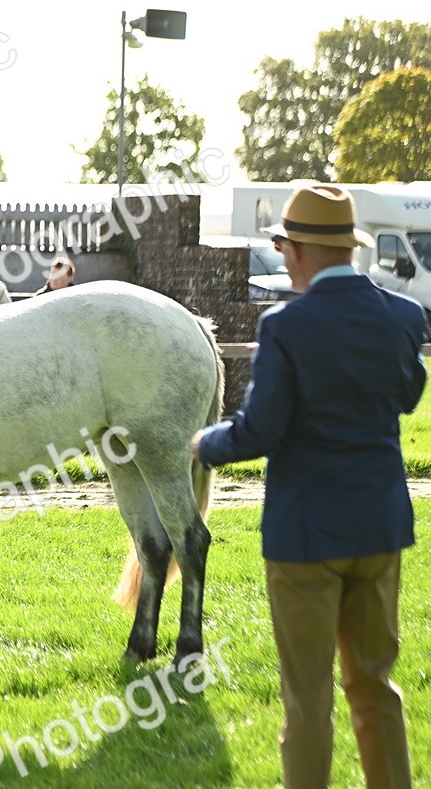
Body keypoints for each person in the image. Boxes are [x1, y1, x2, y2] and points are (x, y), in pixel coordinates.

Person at [191, 186, 424, 788]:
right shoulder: (404, 316)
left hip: (305, 535)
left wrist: (204, 443)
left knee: (308, 696)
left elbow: (260, 431)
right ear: (349, 246)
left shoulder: (286, 326)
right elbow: (407, 395)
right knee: (375, 685)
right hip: (378, 526)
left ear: (294, 250)